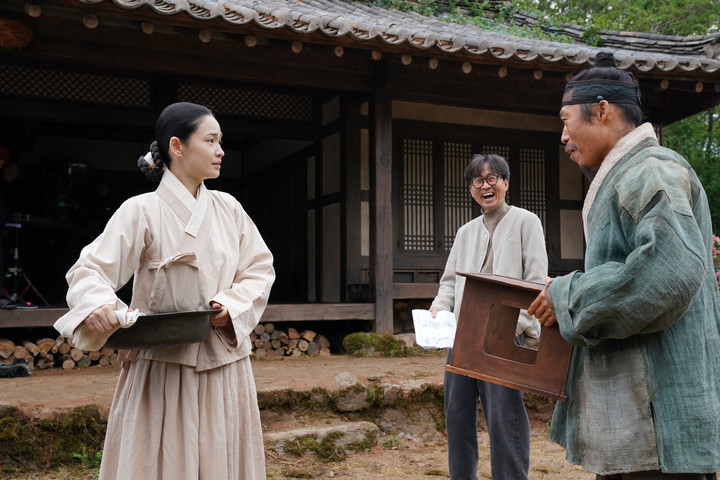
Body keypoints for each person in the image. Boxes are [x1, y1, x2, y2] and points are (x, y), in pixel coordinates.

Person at [54, 102, 275, 479]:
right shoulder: (140, 210)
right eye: (211, 140)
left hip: (223, 363)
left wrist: (230, 305)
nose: (221, 151)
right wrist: (100, 304)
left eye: (221, 142)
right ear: (177, 146)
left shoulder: (230, 208)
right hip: (161, 367)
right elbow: (90, 269)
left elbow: (258, 268)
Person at [528, 52, 720, 479]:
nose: (563, 136)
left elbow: (667, 272)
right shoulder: (632, 172)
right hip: (641, 416)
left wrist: (570, 294)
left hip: (658, 420)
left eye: (566, 120)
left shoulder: (650, 170)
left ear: (602, 111)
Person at [430, 153, 548, 480]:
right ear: (471, 189)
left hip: (504, 336)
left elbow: (535, 281)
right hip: (463, 335)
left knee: (504, 418)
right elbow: (449, 283)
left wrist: (518, 327)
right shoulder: (466, 232)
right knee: (456, 416)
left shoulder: (526, 222)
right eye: (478, 180)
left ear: (506, 183)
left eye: (492, 178)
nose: (485, 185)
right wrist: (439, 308)